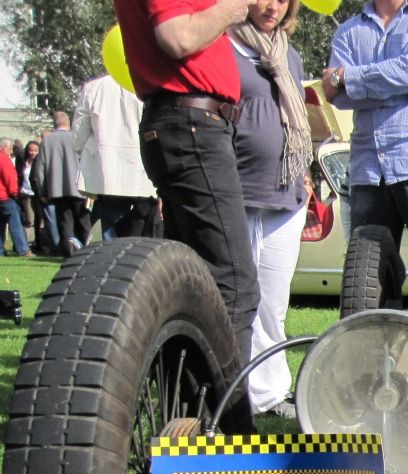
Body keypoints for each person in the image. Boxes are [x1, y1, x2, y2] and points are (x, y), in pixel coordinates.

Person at [112, 0, 261, 385]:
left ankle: (190, 419)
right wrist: (230, 9)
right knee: (234, 285)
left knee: (192, 284)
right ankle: (222, 425)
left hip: (186, 124)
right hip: (193, 125)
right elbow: (176, 36)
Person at [324, 0, 408, 324]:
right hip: (368, 168)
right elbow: (334, 94)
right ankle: (376, 367)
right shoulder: (348, 30)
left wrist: (349, 77)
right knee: (367, 287)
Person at [230, 0, 312, 418]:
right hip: (238, 193)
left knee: (272, 304)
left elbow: (296, 121)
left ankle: (268, 394)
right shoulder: (224, 47)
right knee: (236, 300)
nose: (272, 5)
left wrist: (304, 173)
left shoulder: (288, 55)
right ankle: (229, 391)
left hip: (285, 198)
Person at [73, 74, 162, 240]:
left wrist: (83, 152)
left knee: (108, 226)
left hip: (107, 169)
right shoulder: (149, 84)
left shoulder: (94, 88)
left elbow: (79, 134)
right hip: (142, 168)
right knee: (141, 230)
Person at [32, 112, 90, 256]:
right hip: (79, 188)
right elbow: (87, 162)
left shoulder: (47, 140)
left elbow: (40, 169)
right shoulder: (76, 137)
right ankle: (88, 252)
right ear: (68, 123)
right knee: (84, 222)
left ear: (54, 124)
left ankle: (69, 254)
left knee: (65, 224)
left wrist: (42, 192)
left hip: (57, 190)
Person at [15, 140, 40, 248]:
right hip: (26, 194)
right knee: (29, 220)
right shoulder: (23, 163)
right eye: (30, 150)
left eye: (35, 150)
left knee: (40, 220)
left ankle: (40, 242)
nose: (32, 153)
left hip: (37, 194)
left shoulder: (40, 162)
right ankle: (29, 243)